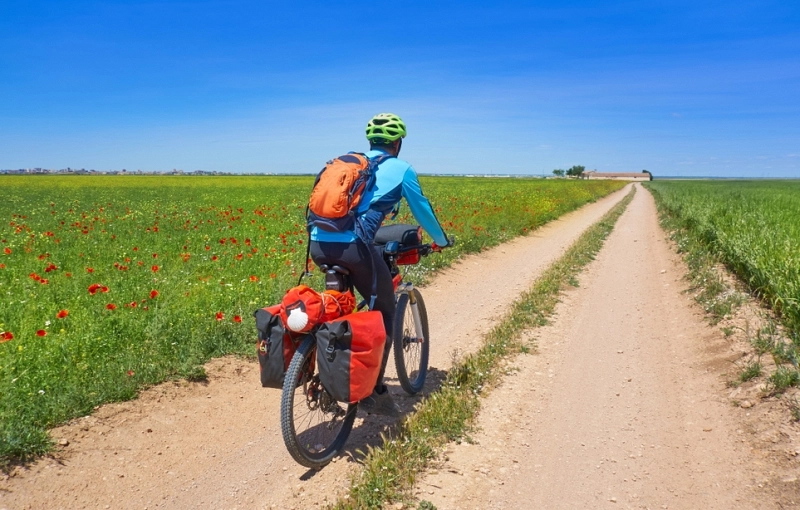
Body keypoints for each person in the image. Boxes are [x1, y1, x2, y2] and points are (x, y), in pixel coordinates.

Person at [308, 112, 450, 416]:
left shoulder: (346, 165)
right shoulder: (401, 169)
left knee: (340, 308)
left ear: (371, 141)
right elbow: (422, 210)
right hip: (353, 248)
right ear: (397, 143)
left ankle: (321, 370)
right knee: (383, 312)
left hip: (319, 245)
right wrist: (441, 240)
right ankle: (373, 391)